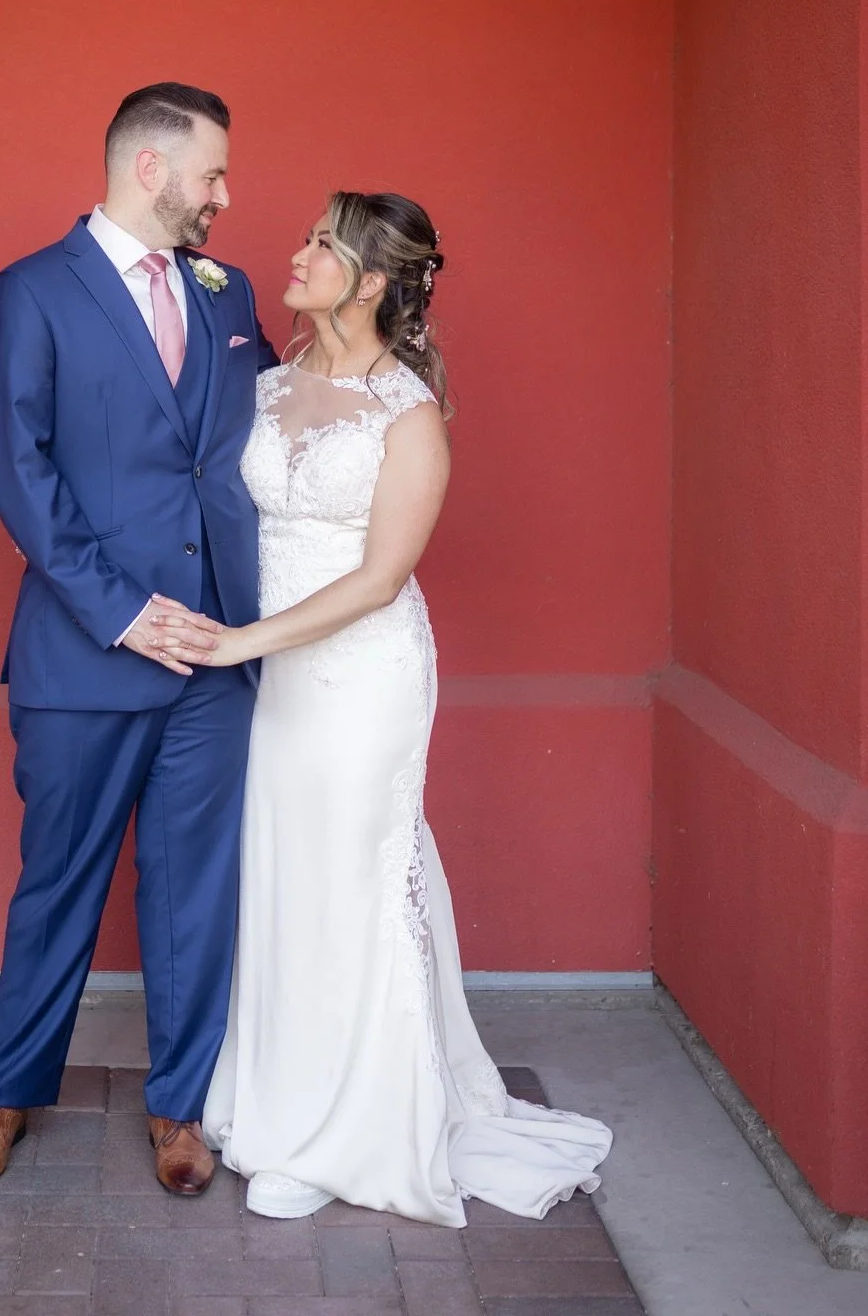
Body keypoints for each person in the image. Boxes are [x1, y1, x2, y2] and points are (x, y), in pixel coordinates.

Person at [149, 192, 613, 1222]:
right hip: (266, 676)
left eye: (323, 244)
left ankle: (349, 1131)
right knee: (279, 875)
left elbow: (379, 579)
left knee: (351, 879)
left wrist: (238, 644)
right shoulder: (262, 384)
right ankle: (275, 1105)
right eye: (309, 235)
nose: (299, 252)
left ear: (369, 282)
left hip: (360, 680)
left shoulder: (409, 416)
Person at [0, 82, 277, 1197]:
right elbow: (18, 474)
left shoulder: (226, 296)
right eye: (214, 174)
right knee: (60, 881)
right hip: (89, 652)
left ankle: (180, 1108)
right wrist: (124, 610)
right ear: (151, 167)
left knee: (194, 890)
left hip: (215, 660)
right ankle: (7, 1092)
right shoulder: (28, 296)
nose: (225, 197)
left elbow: (267, 426)